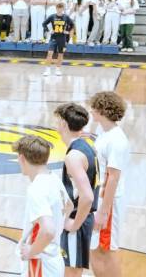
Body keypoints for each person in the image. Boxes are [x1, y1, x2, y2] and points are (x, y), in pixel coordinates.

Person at [13, 135, 71, 277]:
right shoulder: (54, 179)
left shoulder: (36, 188)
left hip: (40, 263)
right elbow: (69, 206)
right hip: (54, 258)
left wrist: (31, 250)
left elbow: (48, 231)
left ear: (22, 158)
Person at [53, 103, 98, 277]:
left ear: (64, 124)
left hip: (78, 219)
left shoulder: (73, 157)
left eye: (57, 121)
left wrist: (74, 224)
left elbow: (87, 196)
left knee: (71, 272)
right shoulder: (86, 146)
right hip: (84, 217)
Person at [89, 92, 130, 277]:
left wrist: (103, 212)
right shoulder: (105, 134)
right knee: (96, 249)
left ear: (102, 110)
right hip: (101, 200)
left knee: (106, 249)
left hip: (109, 204)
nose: (91, 110)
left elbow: (113, 177)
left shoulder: (117, 140)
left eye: (94, 107)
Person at [42, 3, 75, 77]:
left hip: (62, 38)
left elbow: (72, 25)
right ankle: (47, 70)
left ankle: (58, 69)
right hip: (53, 37)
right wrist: (49, 30)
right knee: (50, 53)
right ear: (56, 8)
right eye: (58, 8)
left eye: (61, 8)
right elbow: (44, 24)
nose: (59, 10)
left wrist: (67, 30)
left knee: (60, 54)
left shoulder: (66, 17)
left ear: (63, 9)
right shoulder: (52, 16)